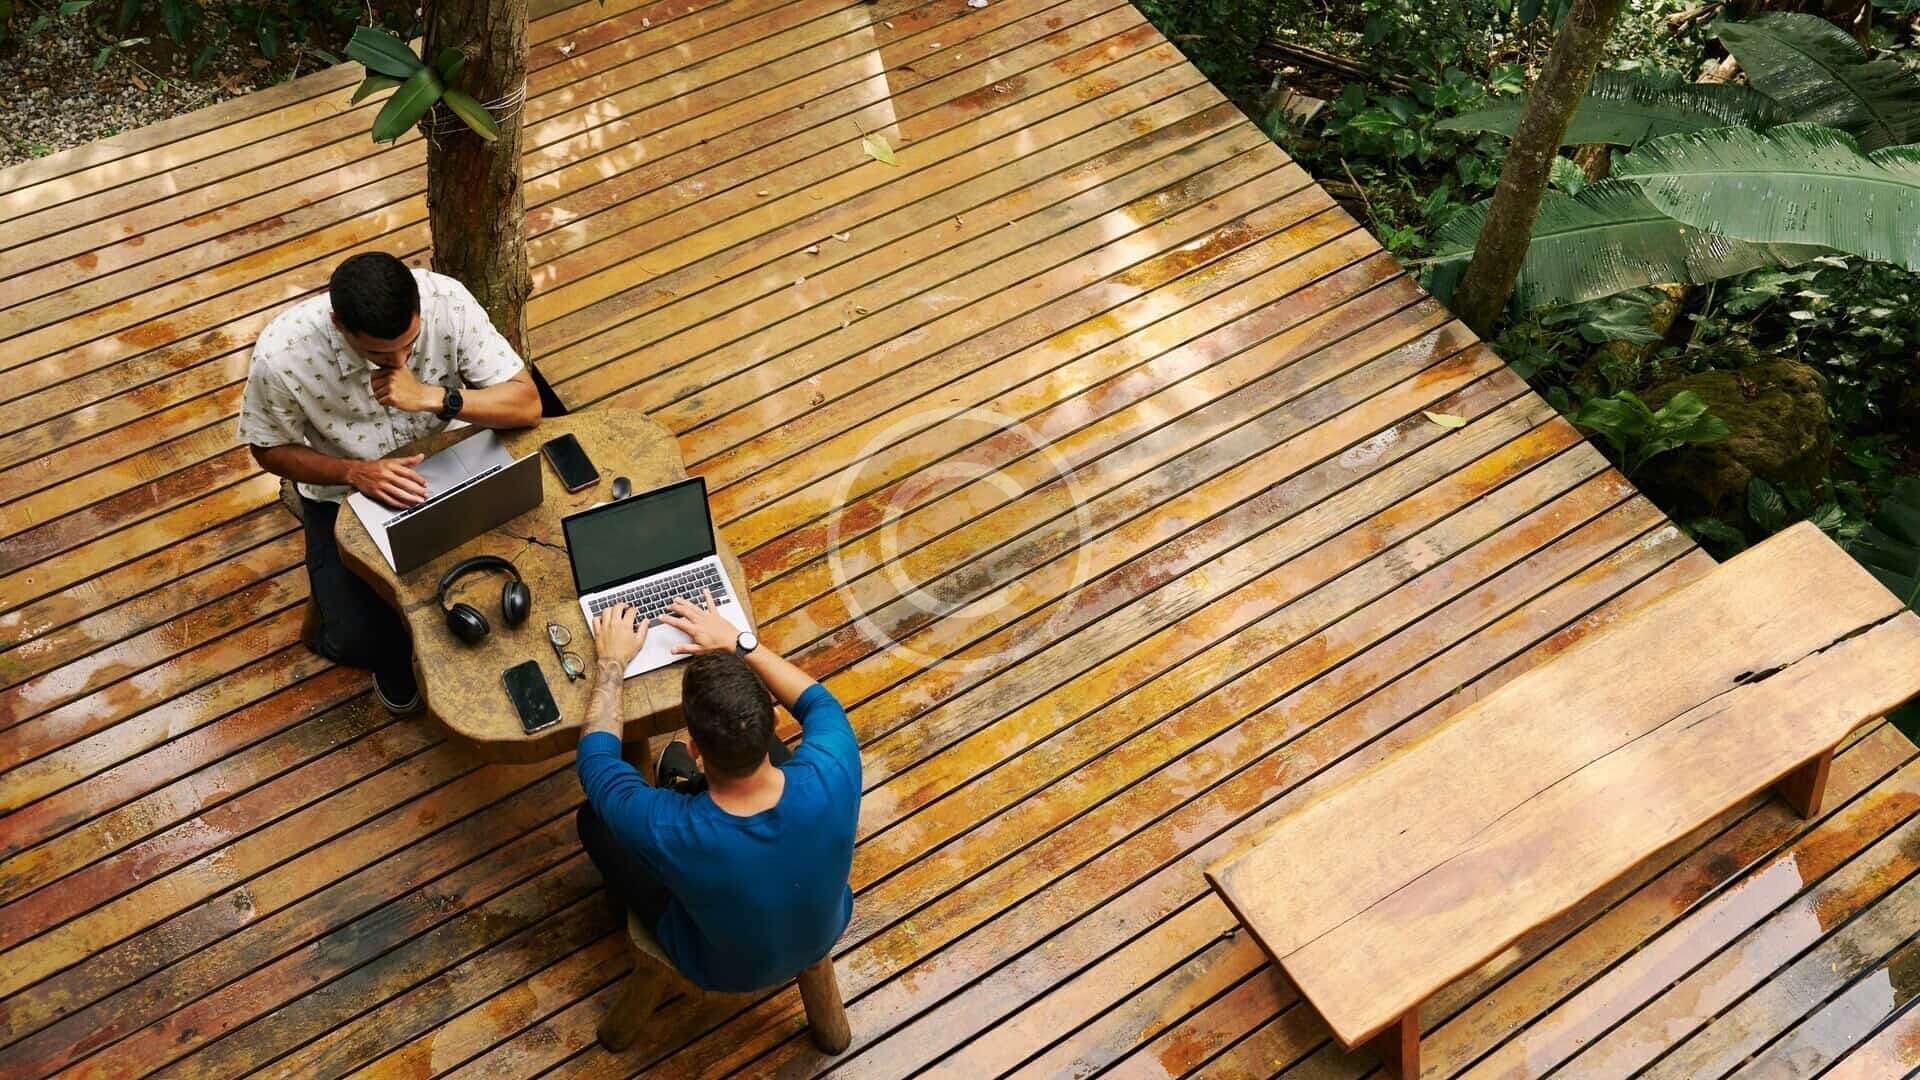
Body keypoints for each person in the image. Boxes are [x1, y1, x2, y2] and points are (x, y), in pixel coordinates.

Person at [237, 252, 544, 715]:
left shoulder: (447, 301)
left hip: (455, 458)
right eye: (380, 355)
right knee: (357, 639)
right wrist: (352, 472)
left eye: (410, 344)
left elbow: (527, 405)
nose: (399, 362)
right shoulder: (282, 357)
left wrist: (437, 398)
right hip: (346, 493)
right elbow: (266, 449)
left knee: (530, 561)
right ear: (339, 325)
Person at [575, 591, 861, 993]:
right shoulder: (834, 765)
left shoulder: (668, 828)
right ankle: (685, 780)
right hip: (825, 930)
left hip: (723, 969)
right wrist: (741, 643)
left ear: (695, 749)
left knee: (593, 819)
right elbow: (820, 703)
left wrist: (612, 661)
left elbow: (596, 761)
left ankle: (678, 782)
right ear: (775, 719)